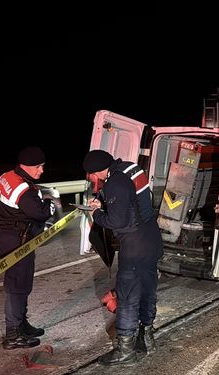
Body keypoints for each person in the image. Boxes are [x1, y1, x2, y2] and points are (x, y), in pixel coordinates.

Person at [82, 150, 163, 366]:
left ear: (96, 171)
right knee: (147, 290)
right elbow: (131, 202)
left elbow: (118, 222)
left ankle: (126, 352)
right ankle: (146, 340)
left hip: (134, 244)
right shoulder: (130, 169)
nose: (91, 179)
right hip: (151, 238)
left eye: (90, 174)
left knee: (127, 296)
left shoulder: (115, 182)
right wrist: (103, 201)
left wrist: (97, 214)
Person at [0, 146, 55, 349]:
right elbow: (41, 213)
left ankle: (22, 325)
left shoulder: (6, 176)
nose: (42, 171)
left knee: (21, 283)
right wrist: (50, 204)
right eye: (39, 167)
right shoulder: (24, 190)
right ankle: (13, 334)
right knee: (17, 288)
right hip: (17, 240)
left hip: (7, 236)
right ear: (26, 166)